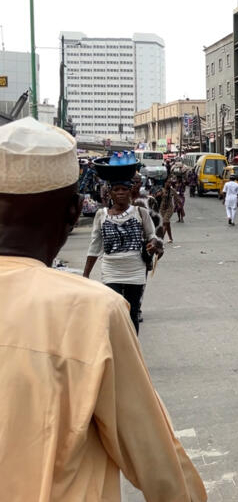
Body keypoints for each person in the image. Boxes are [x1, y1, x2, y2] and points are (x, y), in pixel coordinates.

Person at [0, 119, 206, 502]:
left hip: (131, 273)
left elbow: (151, 238)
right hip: (109, 279)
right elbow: (156, 459)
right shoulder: (90, 311)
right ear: (74, 211)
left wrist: (152, 247)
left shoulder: (139, 216)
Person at [83, 170, 165, 334]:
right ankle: (117, 346)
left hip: (135, 270)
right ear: (110, 193)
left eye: (124, 189)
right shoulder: (101, 215)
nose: (120, 193)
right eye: (116, 190)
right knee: (114, 310)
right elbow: (95, 245)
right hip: (111, 270)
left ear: (130, 191)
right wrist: (85, 275)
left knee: (132, 312)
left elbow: (151, 235)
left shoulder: (140, 213)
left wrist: (154, 244)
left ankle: (132, 348)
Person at [156, 174, 176, 243]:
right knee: (167, 223)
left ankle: (161, 240)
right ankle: (170, 238)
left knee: (165, 222)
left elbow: (177, 199)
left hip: (169, 208)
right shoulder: (161, 190)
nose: (169, 184)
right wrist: (158, 195)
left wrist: (178, 207)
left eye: (170, 182)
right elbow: (155, 196)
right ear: (165, 183)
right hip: (162, 208)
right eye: (168, 182)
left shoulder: (172, 190)